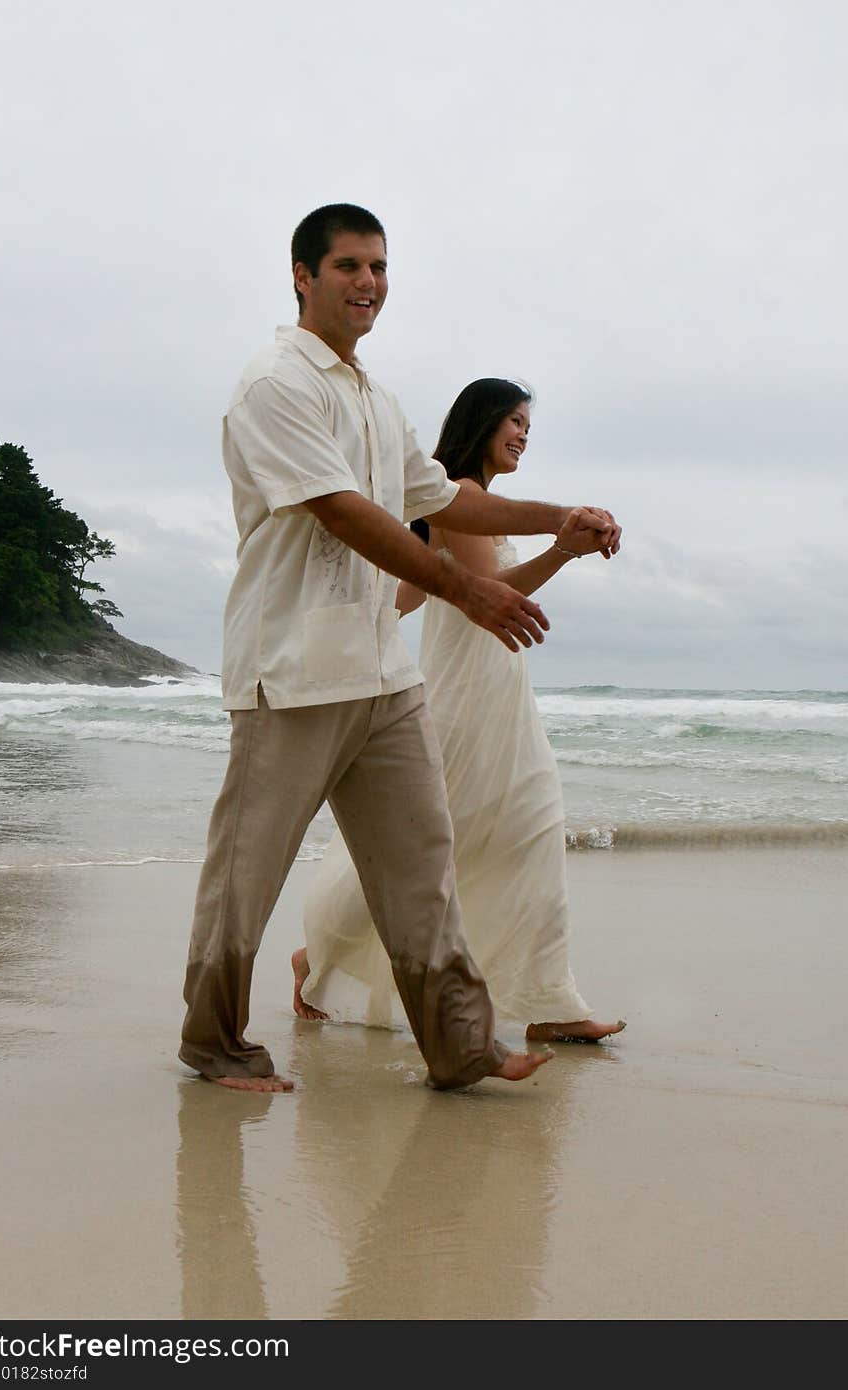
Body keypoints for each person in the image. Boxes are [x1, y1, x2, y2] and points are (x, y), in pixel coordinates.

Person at [178, 204, 621, 1094]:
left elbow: (443, 497)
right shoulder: (275, 384)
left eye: (378, 267)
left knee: (424, 869)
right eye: (347, 266)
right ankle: (213, 1039)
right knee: (247, 874)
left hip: (384, 675)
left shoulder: (376, 399)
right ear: (302, 276)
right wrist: (467, 588)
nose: (368, 283)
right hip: (292, 671)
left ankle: (460, 1046)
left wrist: (555, 516)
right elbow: (344, 510)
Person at [295, 379, 625, 1043]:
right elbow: (489, 591)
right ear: (481, 423)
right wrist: (563, 549)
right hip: (468, 694)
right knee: (437, 838)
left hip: (492, 686)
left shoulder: (465, 501)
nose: (523, 435)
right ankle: (321, 949)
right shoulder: (463, 498)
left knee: (513, 830)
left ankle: (549, 999)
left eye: (529, 425)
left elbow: (415, 593)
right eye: (513, 420)